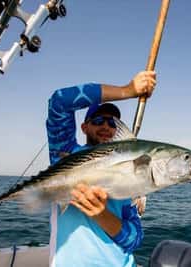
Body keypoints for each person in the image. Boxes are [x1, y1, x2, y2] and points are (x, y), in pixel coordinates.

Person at [46, 70, 156, 267]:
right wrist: (128, 90)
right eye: (98, 121)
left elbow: (135, 240)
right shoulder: (65, 155)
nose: (106, 126)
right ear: (84, 127)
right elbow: (59, 101)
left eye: (112, 122)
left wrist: (100, 214)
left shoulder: (134, 172)